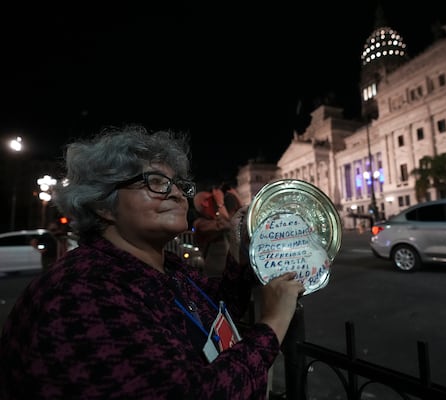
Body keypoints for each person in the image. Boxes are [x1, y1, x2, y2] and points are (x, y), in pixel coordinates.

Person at [0, 125, 304, 400]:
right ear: (103, 204)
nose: (177, 194)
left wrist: (239, 252)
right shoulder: (82, 291)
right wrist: (273, 323)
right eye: (155, 182)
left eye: (178, 185)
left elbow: (211, 310)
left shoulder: (165, 267)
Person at [193, 184, 243, 276]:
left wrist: (236, 196)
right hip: (216, 276)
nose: (216, 201)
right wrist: (220, 202)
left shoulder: (220, 217)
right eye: (213, 199)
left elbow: (242, 221)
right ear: (205, 203)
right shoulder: (200, 224)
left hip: (230, 272)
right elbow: (227, 225)